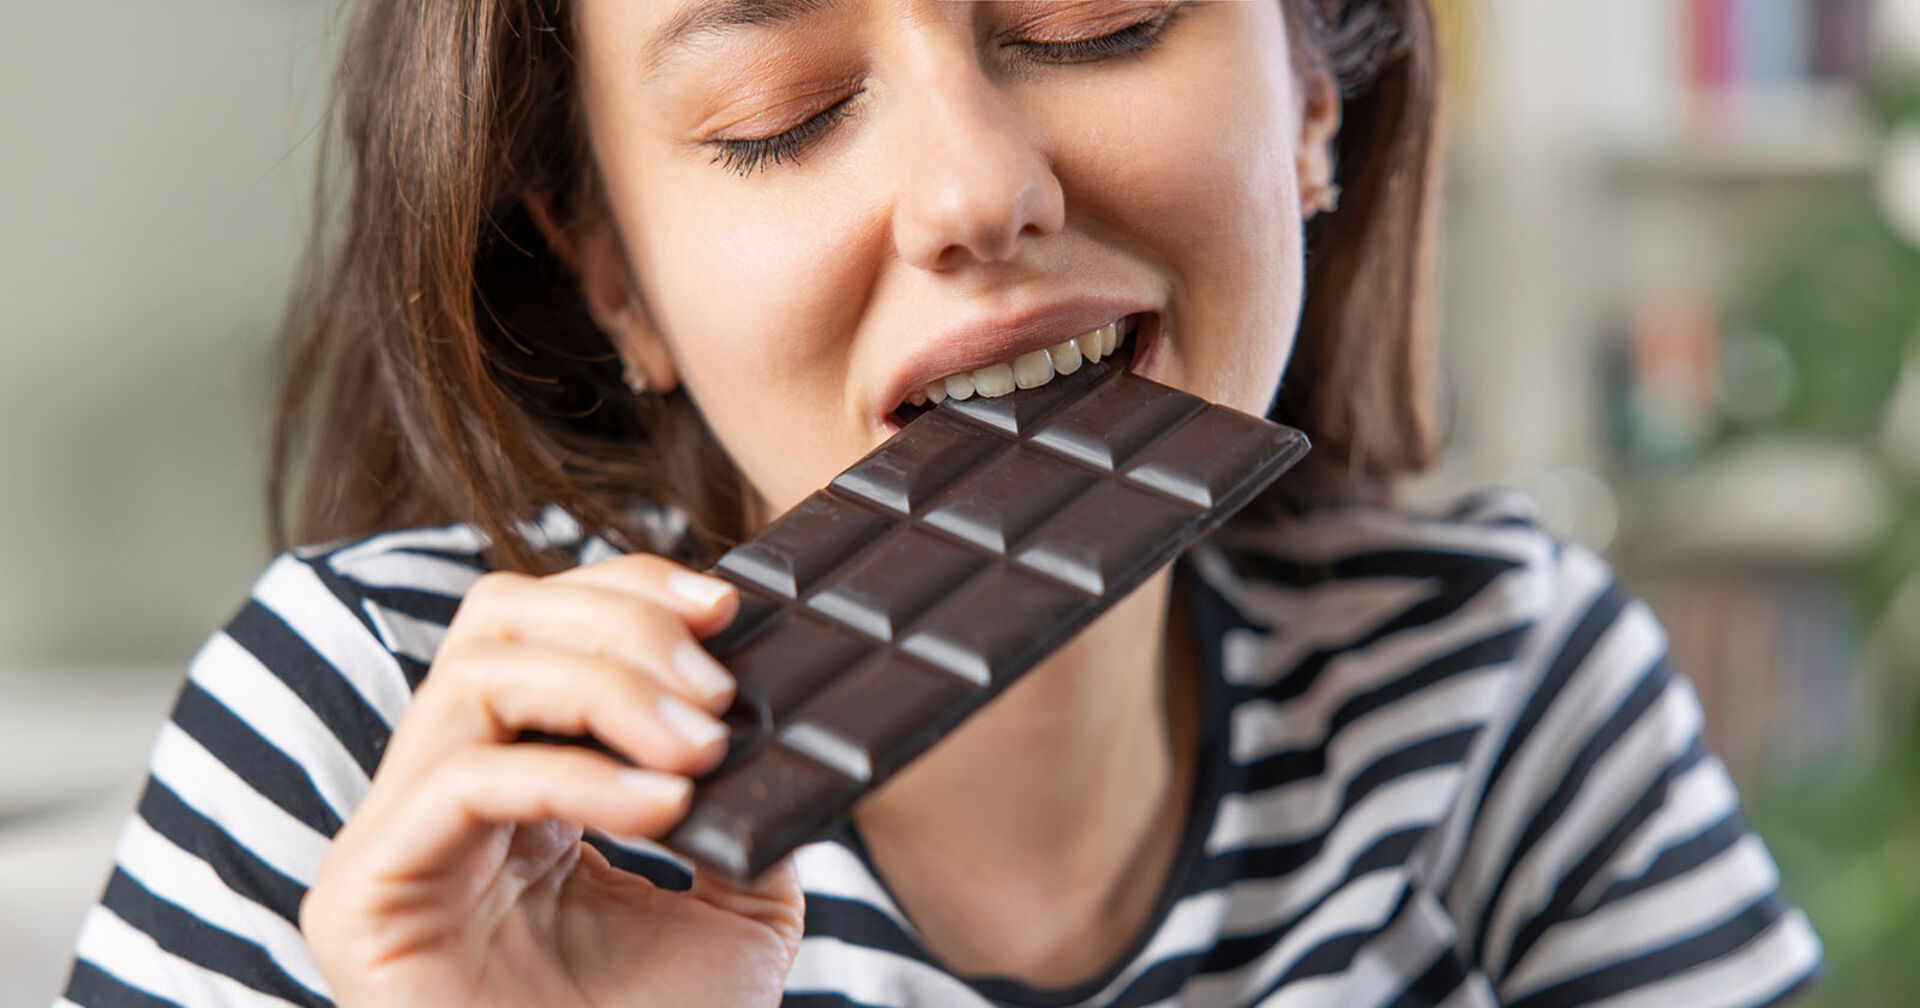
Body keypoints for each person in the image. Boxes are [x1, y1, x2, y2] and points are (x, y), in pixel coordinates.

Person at [59, 0, 1823, 1005]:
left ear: (1305, 95)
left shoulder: (1503, 680)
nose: (976, 187)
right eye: (777, 114)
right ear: (614, 278)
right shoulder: (390, 747)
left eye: (1094, 14)